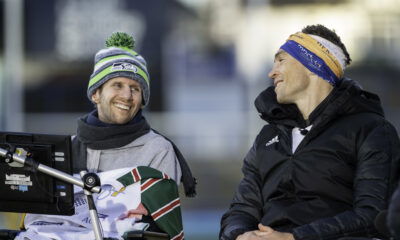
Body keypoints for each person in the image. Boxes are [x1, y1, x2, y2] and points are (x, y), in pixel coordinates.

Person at [220, 24, 400, 240]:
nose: (272, 72)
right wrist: (241, 235)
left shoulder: (371, 130)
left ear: (314, 64)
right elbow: (240, 210)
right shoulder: (267, 137)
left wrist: (294, 237)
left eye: (281, 60)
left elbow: (372, 216)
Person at [72, 32, 196, 197]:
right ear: (96, 94)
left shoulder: (158, 150)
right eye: (117, 85)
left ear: (142, 101)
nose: (127, 96)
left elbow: (158, 219)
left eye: (135, 89)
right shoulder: (70, 148)